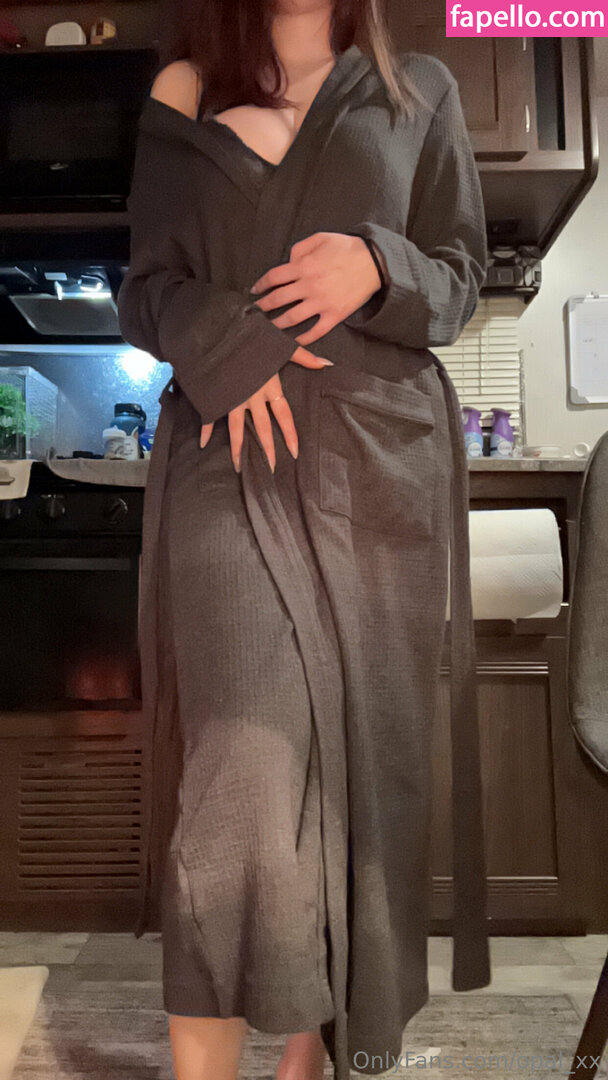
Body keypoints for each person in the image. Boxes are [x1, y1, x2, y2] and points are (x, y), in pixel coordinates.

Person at [117, 2, 491, 1079]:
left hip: (382, 462)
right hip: (227, 455)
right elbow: (145, 290)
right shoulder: (186, 87)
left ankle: (307, 1057)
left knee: (361, 766)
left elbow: (459, 277)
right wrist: (229, 348)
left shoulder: (419, 89)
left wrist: (377, 265)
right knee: (243, 761)